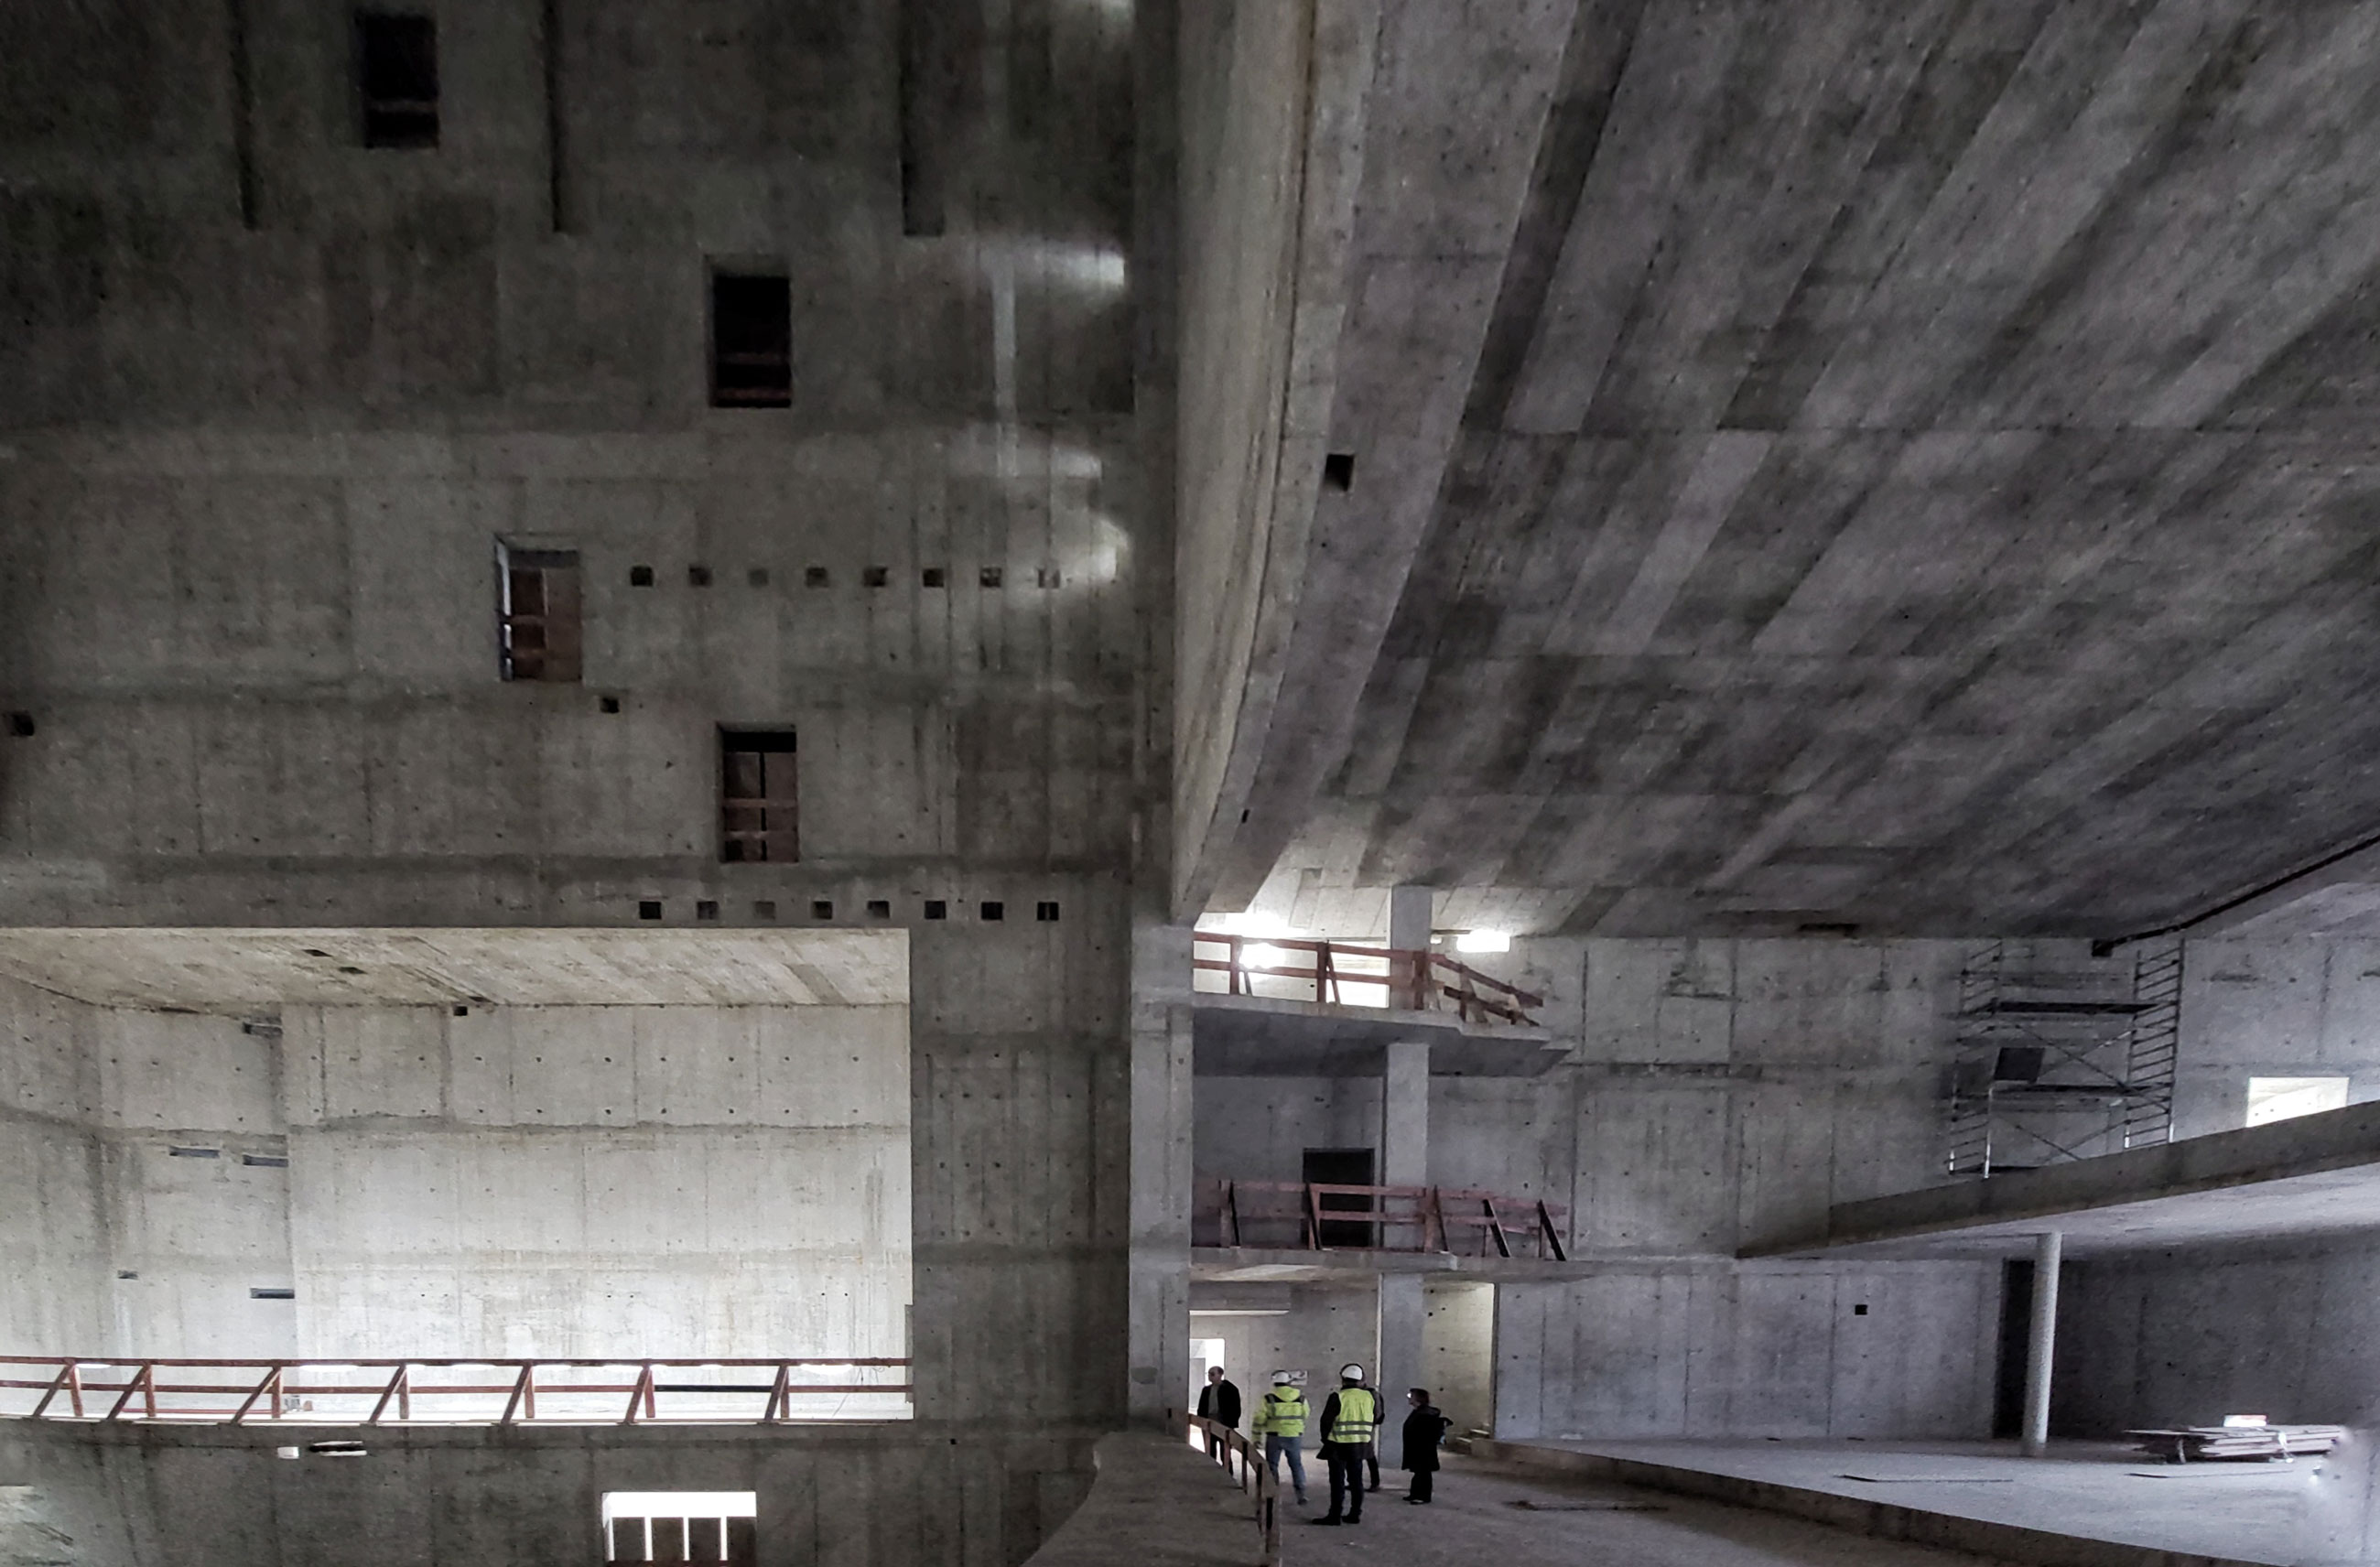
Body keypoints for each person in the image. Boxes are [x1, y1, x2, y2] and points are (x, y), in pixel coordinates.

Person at [1309, 1363, 1379, 1527]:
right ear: (1361, 1379)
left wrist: (1325, 1440)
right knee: (1356, 1481)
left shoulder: (1338, 1397)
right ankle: (1355, 1514)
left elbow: (1325, 1422)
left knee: (1337, 1482)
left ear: (1343, 1379)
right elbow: (1377, 1417)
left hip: (1338, 1446)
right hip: (1361, 1445)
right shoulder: (1370, 1397)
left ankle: (1334, 1516)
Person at [1250, 1371, 1308, 1505]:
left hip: (1274, 1436)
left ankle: (1273, 1494)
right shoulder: (1300, 1397)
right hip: (1294, 1435)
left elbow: (1259, 1418)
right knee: (1296, 1464)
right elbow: (1305, 1414)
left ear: (1275, 1382)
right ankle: (1301, 1494)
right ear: (1289, 1382)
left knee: (1272, 1466)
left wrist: (1256, 1437)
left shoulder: (1269, 1398)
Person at [1401, 1388, 1451, 1504]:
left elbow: (1427, 1432)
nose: (1409, 1398)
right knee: (1418, 1472)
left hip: (1423, 1449)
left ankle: (1423, 1496)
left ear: (1418, 1398)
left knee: (1423, 1473)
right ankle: (1414, 1493)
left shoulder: (1425, 1414)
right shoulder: (1419, 1411)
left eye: (1411, 1396)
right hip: (1417, 1448)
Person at [1195, 1366, 1241, 1457]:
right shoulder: (1206, 1390)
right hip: (1209, 1423)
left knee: (1225, 1452)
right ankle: (1211, 1470)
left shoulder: (1231, 1390)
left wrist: (1231, 1425)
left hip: (1224, 1424)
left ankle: (1227, 1471)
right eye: (1208, 1374)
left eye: (1212, 1374)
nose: (1209, 1376)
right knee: (1210, 1451)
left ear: (1220, 1375)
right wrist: (1202, 1422)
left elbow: (1236, 1409)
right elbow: (1201, 1408)